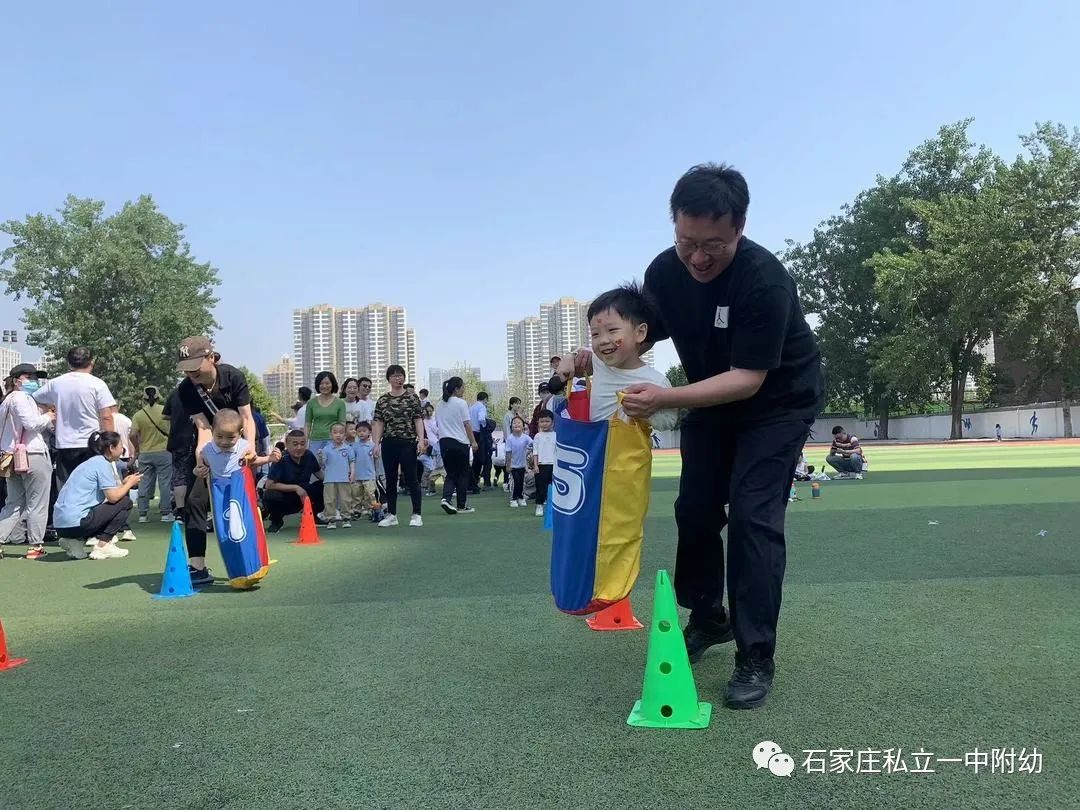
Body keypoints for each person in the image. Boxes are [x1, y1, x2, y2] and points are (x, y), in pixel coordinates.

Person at [624, 163, 823, 709]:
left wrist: (664, 399)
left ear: (740, 227)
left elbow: (749, 380)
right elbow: (638, 335)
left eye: (713, 244)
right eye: (687, 242)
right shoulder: (665, 272)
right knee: (694, 509)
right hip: (712, 398)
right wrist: (594, 353)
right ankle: (709, 616)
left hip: (776, 404)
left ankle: (756, 654)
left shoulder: (764, 280)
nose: (698, 257)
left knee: (755, 518)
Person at [175, 336, 258, 586]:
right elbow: (203, 427)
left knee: (239, 504)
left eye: (196, 366)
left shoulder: (233, 377)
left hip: (240, 447)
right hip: (211, 446)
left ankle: (251, 561)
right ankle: (197, 566)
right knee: (194, 500)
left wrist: (250, 449)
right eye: (186, 368)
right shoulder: (186, 389)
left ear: (211, 358)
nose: (191, 373)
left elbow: (247, 417)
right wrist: (202, 461)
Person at [551, 284, 680, 431]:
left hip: (628, 451)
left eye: (612, 330)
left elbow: (670, 421)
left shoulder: (656, 381)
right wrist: (569, 356)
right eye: (595, 334)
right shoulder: (600, 363)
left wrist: (646, 414)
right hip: (594, 450)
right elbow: (579, 351)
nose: (603, 340)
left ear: (640, 333)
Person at [32, 346, 117, 487]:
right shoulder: (97, 384)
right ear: (92, 362)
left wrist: (51, 413)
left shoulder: (56, 383)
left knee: (67, 488)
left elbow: (35, 399)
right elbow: (107, 417)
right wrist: (110, 443)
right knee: (91, 487)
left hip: (65, 445)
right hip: (91, 444)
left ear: (69, 363)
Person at [53, 431, 140, 560]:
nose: (123, 449)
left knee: (108, 505)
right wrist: (129, 485)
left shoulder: (88, 464)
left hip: (60, 525)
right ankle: (103, 545)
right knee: (125, 502)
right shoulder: (102, 464)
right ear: (111, 448)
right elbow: (113, 497)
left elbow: (108, 494)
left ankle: (74, 542)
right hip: (78, 522)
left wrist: (123, 483)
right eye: (121, 445)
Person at [0, 363, 56, 560]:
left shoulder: (5, 402)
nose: (33, 381)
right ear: (17, 381)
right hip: (33, 454)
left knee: (13, 503)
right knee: (38, 502)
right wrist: (49, 416)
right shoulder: (23, 398)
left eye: (35, 377)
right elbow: (31, 424)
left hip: (11, 456)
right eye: (29, 377)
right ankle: (35, 545)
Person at [372, 365, 426, 528]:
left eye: (401, 375)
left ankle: (416, 514)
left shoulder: (412, 397)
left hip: (408, 442)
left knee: (412, 479)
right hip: (389, 443)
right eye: (394, 376)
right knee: (390, 480)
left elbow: (418, 419)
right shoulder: (382, 400)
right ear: (388, 379)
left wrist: (421, 439)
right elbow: (379, 423)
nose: (398, 379)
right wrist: (376, 444)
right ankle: (392, 515)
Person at [263, 430, 326, 532]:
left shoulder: (309, 455)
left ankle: (313, 516)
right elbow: (269, 485)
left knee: (325, 485)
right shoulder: (281, 459)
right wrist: (296, 488)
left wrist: (338, 481)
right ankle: (276, 521)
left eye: (302, 444)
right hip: (285, 498)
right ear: (287, 444)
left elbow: (321, 475)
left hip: (304, 497)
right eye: (295, 444)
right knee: (270, 495)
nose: (299, 447)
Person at [194, 409, 276, 482]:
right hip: (218, 488)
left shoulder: (244, 446)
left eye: (230, 437)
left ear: (240, 433)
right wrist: (197, 471)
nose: (224, 442)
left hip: (238, 488)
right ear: (212, 431)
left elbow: (253, 462)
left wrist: (269, 458)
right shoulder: (207, 449)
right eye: (219, 437)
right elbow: (201, 466)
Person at [435, 376, 478, 515]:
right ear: (456, 389)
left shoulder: (439, 404)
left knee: (451, 473)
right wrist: (473, 441)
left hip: (444, 442)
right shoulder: (461, 403)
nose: (464, 390)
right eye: (463, 387)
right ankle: (461, 505)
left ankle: (446, 499)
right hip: (460, 442)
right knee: (463, 474)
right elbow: (467, 424)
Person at [130, 386, 173, 523]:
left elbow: (132, 434)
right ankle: (166, 513)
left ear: (143, 398)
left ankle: (142, 514)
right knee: (165, 483)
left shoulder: (139, 414)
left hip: (145, 452)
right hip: (164, 451)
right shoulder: (165, 411)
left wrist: (137, 447)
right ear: (158, 396)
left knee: (144, 483)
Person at [318, 423, 355, 529]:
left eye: (341, 432)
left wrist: (352, 473)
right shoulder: (326, 449)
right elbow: (323, 464)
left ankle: (346, 518)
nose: (338, 435)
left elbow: (352, 461)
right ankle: (331, 520)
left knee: (345, 499)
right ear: (331, 434)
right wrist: (320, 457)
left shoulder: (348, 448)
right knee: (329, 500)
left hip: (344, 478)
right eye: (335, 432)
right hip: (329, 479)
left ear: (345, 435)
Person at [304, 371, 346, 457]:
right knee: (316, 467)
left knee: (332, 466)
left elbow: (342, 423)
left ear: (332, 384)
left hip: (333, 440)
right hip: (315, 440)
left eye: (327, 383)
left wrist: (340, 440)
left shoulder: (340, 403)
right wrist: (305, 441)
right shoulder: (311, 403)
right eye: (321, 383)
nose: (324, 386)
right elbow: (307, 424)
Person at [531, 409, 556, 517]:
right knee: (541, 486)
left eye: (547, 421)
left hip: (554, 465)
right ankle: (539, 505)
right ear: (538, 422)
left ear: (552, 422)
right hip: (541, 465)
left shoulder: (556, 435)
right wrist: (535, 465)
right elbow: (535, 452)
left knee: (554, 487)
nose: (544, 424)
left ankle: (554, 507)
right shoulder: (537, 436)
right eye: (542, 421)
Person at [504, 416, 533, 507]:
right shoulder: (510, 438)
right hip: (513, 465)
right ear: (511, 426)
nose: (516, 424)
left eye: (519, 422)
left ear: (523, 426)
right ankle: (513, 499)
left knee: (521, 482)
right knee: (516, 482)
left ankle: (521, 498)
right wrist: (508, 465)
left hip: (523, 465)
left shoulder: (526, 437)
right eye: (514, 423)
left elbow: (533, 445)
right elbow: (508, 453)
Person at [352, 421, 378, 519]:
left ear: (369, 432)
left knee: (371, 494)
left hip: (369, 475)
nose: (361, 433)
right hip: (357, 476)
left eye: (364, 431)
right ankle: (356, 511)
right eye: (359, 431)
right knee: (356, 495)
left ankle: (373, 510)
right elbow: (352, 460)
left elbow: (376, 459)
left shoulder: (372, 446)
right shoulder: (354, 446)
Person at [469, 392, 491, 492]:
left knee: (476, 459)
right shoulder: (482, 407)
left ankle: (473, 481)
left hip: (471, 433)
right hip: (479, 434)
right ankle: (484, 481)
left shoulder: (471, 407)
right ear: (485, 399)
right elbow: (481, 419)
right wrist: (485, 425)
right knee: (484, 458)